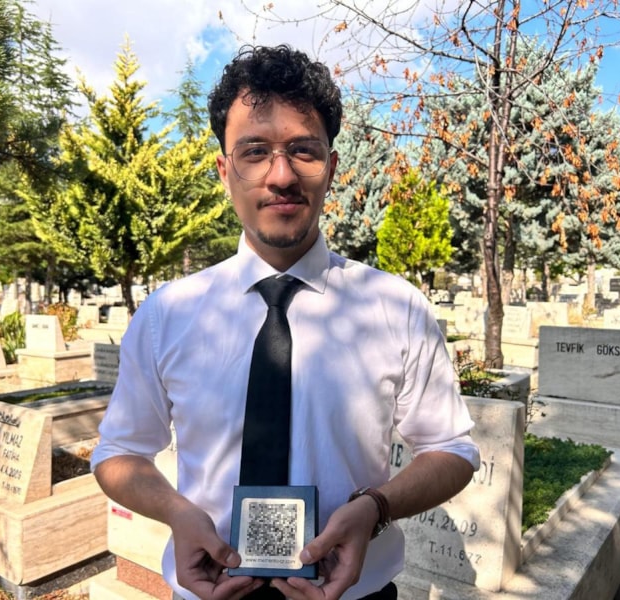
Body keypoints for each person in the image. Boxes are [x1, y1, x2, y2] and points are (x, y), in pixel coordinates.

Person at [91, 44, 480, 600]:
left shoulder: (396, 308)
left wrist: (376, 507)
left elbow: (452, 449)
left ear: (331, 167)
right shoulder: (166, 316)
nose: (281, 175)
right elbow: (119, 453)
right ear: (224, 170)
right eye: (255, 151)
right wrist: (177, 512)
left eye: (303, 150)